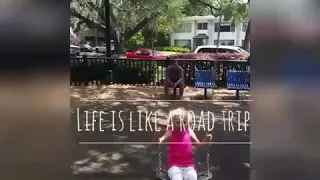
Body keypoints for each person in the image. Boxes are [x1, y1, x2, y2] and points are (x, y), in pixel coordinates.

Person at [158, 108, 212, 180]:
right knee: (176, 177)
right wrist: (161, 140)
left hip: (189, 166)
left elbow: (199, 145)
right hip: (174, 166)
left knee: (192, 177)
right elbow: (164, 137)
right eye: (178, 122)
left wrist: (206, 140)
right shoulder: (171, 132)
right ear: (172, 123)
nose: (181, 125)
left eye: (184, 122)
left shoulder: (189, 131)